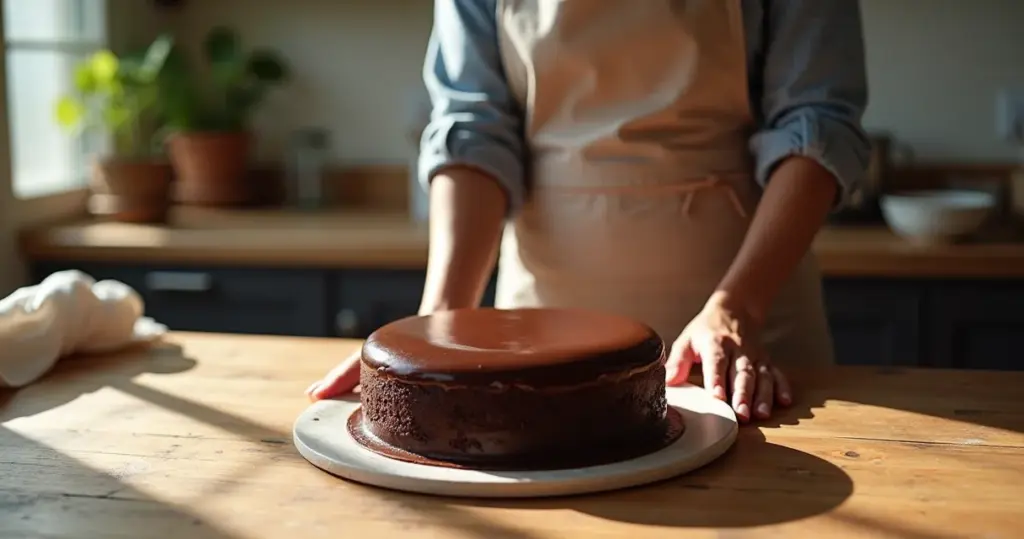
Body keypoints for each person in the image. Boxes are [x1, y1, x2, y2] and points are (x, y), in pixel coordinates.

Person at [307, 0, 870, 424]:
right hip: (536, 330)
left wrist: (738, 307)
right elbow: (473, 133)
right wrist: (435, 329)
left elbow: (816, 123)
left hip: (744, 335)